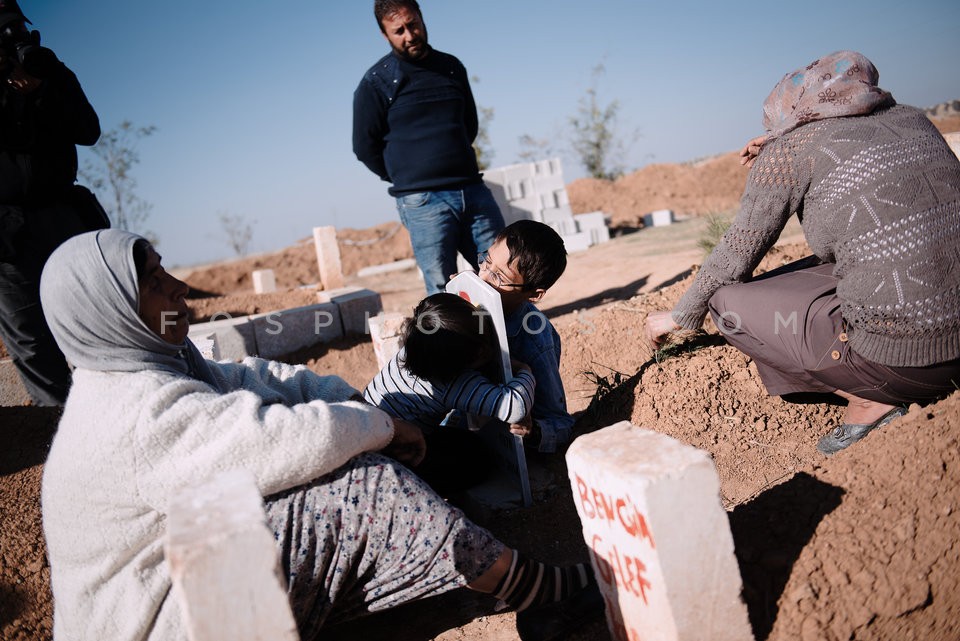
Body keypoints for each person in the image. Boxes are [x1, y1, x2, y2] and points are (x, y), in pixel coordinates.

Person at [38, 229, 599, 641]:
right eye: (157, 283)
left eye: (166, 269)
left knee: (348, 466)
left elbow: (256, 380)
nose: (181, 287)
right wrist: (381, 425)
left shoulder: (161, 360)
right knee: (366, 485)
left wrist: (348, 400)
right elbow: (270, 444)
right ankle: (538, 590)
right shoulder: (132, 410)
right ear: (109, 313)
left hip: (181, 576)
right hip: (153, 621)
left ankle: (439, 591)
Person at [645, 50, 960, 455]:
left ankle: (870, 399)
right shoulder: (915, 119)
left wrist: (677, 317)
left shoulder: (790, 153)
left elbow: (734, 256)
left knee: (725, 302)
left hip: (903, 369)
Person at [352, 0, 505, 296]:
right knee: (441, 287)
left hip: (473, 191)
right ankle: (453, 343)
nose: (409, 35)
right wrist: (406, 177)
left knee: (499, 273)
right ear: (385, 35)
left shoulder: (450, 68)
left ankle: (508, 340)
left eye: (413, 25)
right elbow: (363, 147)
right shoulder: (377, 83)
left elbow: (468, 125)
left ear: (422, 19)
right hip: (423, 203)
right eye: (399, 31)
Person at [0, 0, 107, 406]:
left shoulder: (47, 68)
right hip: (8, 230)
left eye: (17, 30)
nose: (14, 41)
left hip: (64, 214)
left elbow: (89, 128)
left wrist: (42, 91)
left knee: (97, 318)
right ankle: (62, 434)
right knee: (32, 341)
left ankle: (119, 414)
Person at [363, 292, 535, 492]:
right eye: (483, 345)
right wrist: (525, 372)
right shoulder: (454, 385)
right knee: (478, 460)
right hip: (397, 456)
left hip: (372, 431)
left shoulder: (418, 349)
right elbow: (515, 407)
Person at [476, 220, 575, 454]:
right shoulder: (473, 297)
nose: (483, 279)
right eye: (486, 262)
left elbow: (561, 424)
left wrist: (533, 432)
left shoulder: (535, 342)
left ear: (534, 294)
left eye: (499, 276)